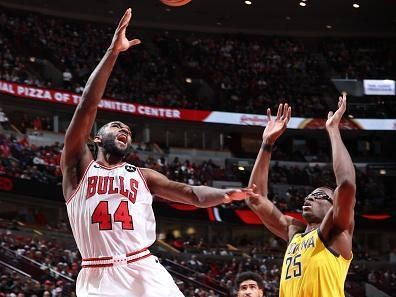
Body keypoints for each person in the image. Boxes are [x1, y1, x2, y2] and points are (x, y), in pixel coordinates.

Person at [61, 8, 258, 297]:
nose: (123, 130)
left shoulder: (143, 176)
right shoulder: (79, 167)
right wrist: (113, 53)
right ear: (97, 139)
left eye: (127, 129)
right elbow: (87, 106)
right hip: (98, 274)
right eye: (116, 126)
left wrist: (226, 195)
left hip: (143, 268)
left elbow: (191, 194)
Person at [247, 97, 356, 297]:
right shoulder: (293, 233)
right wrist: (267, 143)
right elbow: (255, 197)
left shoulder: (338, 232)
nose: (309, 199)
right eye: (308, 196)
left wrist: (333, 130)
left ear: (334, 205)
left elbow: (347, 183)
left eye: (319, 195)